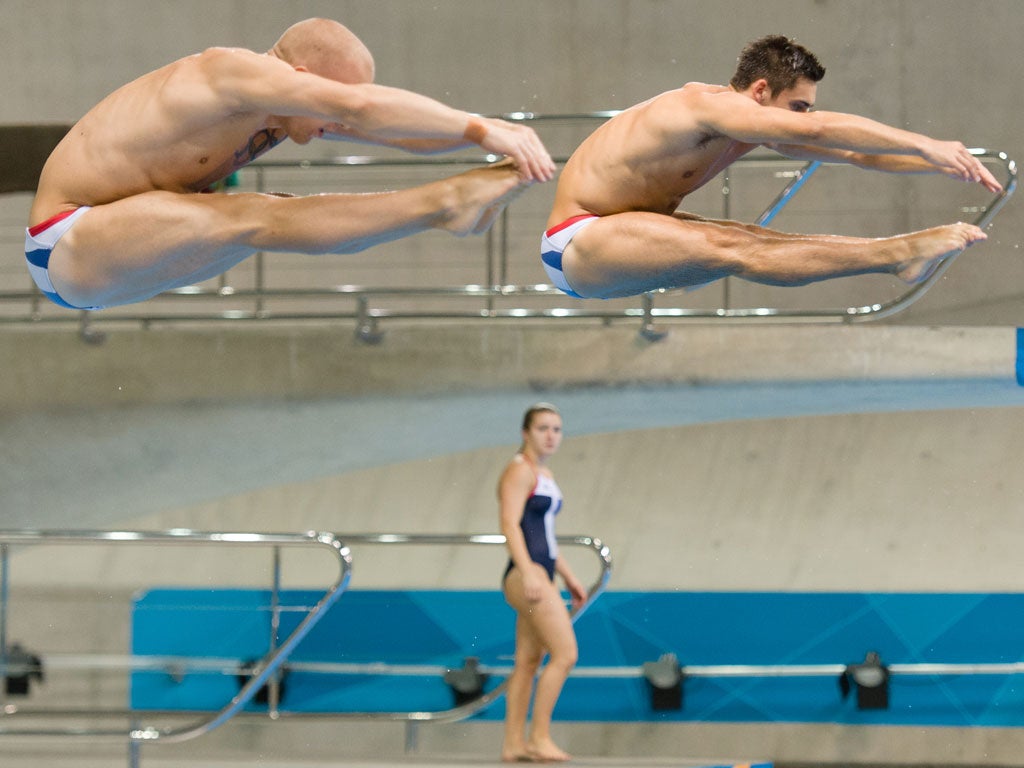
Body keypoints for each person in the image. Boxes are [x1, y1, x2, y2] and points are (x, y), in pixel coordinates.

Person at [26, 18, 555, 311]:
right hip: (67, 244)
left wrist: (497, 155)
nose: (331, 126)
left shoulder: (287, 113)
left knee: (272, 213)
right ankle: (445, 205)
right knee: (249, 213)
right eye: (328, 102)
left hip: (125, 255)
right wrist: (485, 128)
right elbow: (362, 108)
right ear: (300, 77)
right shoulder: (227, 75)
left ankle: (446, 208)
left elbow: (395, 129)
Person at [541, 34, 1003, 300]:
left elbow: (857, 153)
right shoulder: (700, 107)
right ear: (760, 90)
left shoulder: (752, 127)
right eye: (797, 106)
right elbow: (819, 132)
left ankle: (898, 257)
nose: (801, 119)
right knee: (736, 247)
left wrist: (945, 166)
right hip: (576, 243)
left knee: (758, 238)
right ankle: (898, 256)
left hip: (621, 237)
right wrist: (925, 143)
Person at [498, 402, 587, 763]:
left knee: (529, 661)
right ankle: (539, 737)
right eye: (542, 429)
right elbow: (509, 524)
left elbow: (546, 535)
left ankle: (513, 744)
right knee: (565, 654)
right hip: (526, 575)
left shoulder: (545, 475)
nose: (551, 436)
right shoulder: (519, 471)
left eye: (557, 430)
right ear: (525, 433)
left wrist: (568, 576)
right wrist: (531, 571)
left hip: (540, 571)